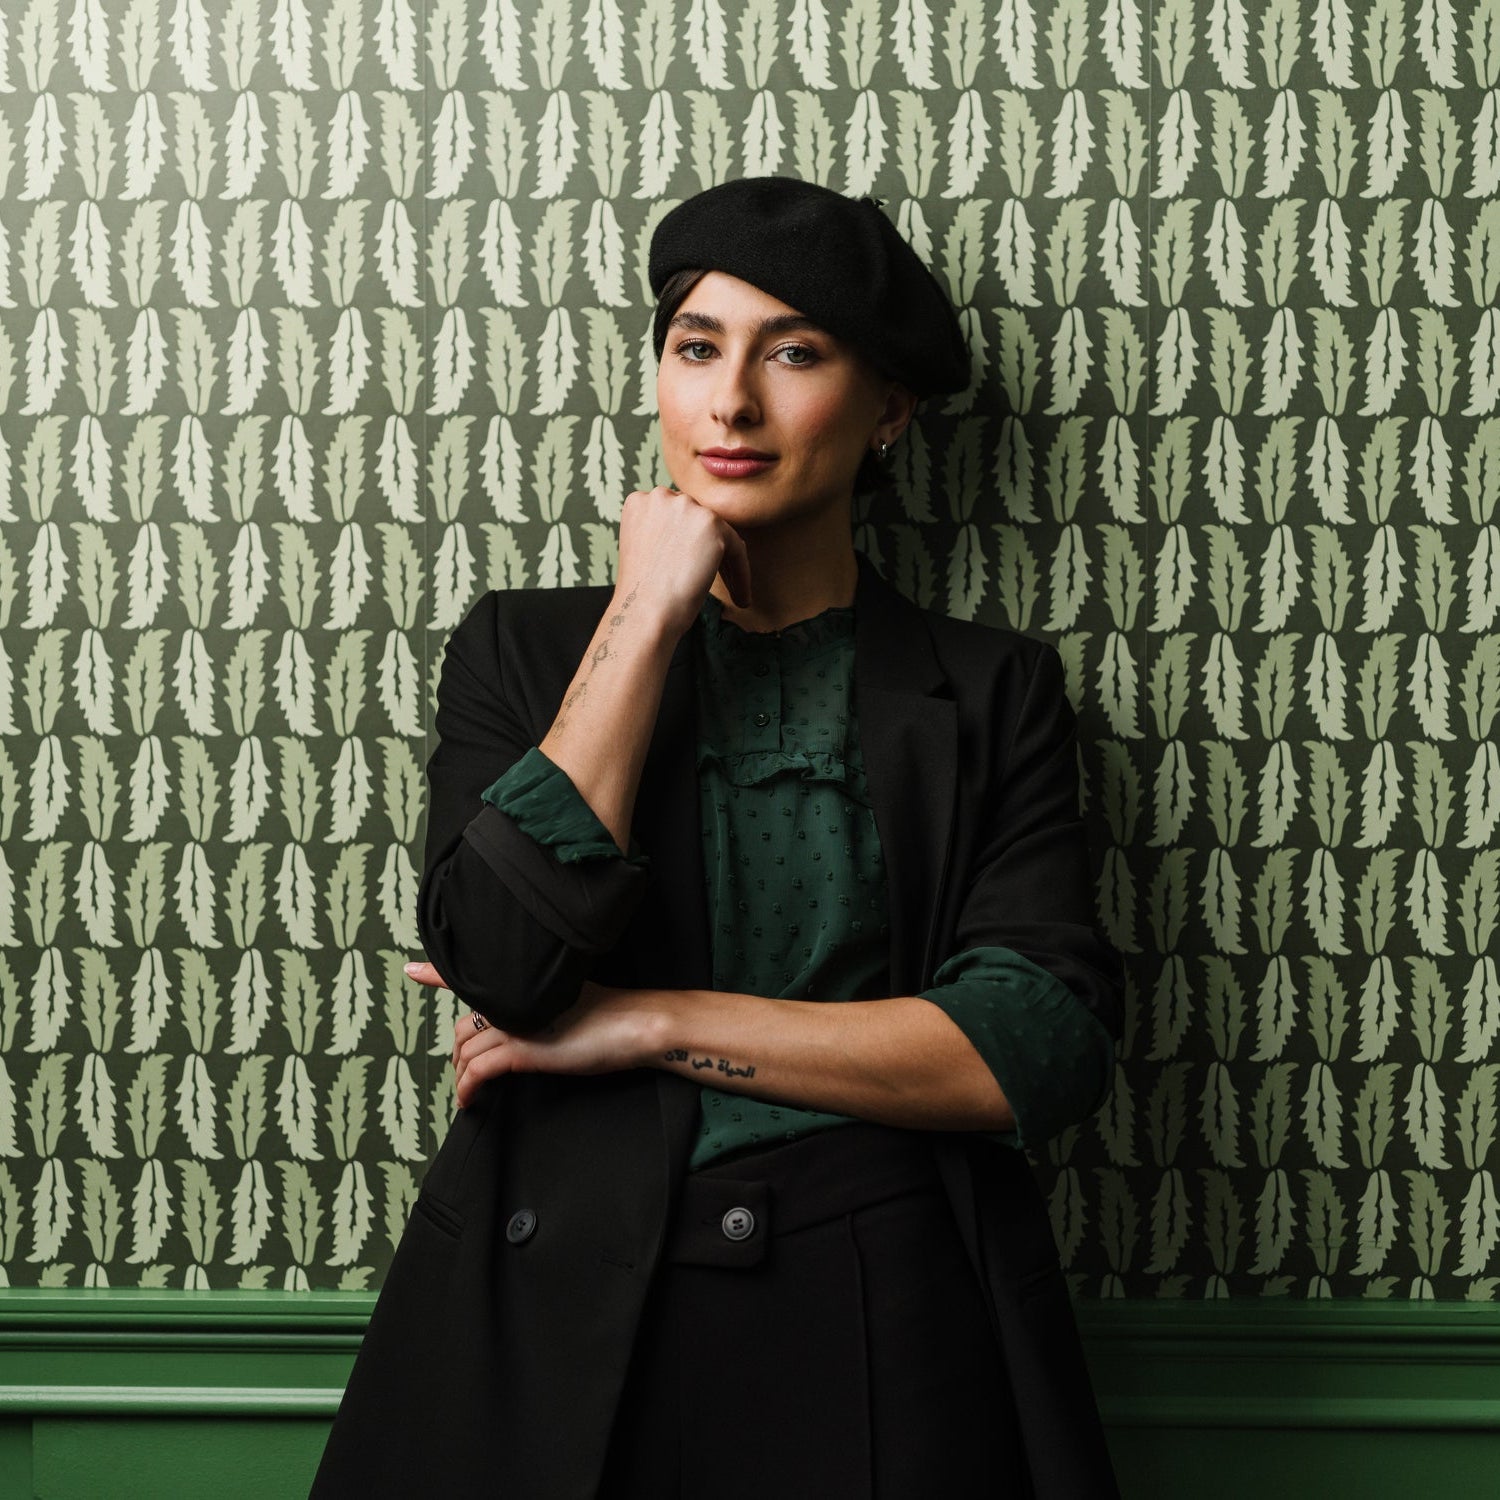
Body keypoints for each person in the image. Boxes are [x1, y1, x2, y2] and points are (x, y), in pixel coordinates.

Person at [310, 176, 1125, 1499]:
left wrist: (643, 1023)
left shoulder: (993, 689)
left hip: (880, 1305)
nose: (731, 402)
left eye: (792, 354)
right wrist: (643, 617)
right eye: (697, 347)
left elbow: (1030, 1049)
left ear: (888, 411)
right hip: (552, 1302)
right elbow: (505, 965)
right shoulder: (523, 649)